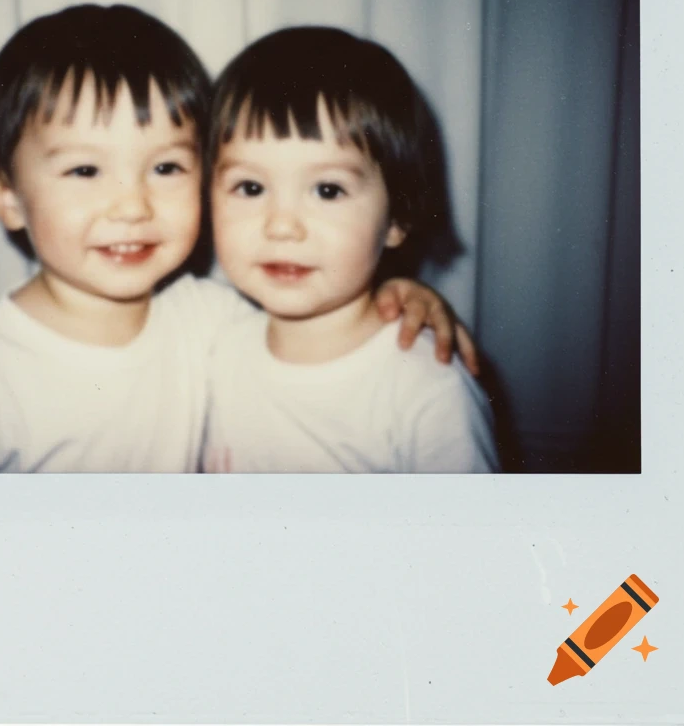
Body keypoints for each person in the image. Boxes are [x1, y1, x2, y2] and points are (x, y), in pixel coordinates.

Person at [0, 5, 474, 472]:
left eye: (166, 168)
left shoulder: (210, 323)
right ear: (6, 195)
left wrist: (402, 290)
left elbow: (327, 319)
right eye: (85, 170)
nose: (132, 206)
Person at [202, 27, 498, 473]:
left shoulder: (428, 389)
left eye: (328, 190)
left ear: (397, 218)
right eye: (250, 187)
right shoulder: (215, 346)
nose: (281, 226)